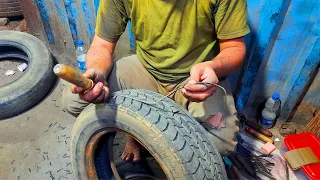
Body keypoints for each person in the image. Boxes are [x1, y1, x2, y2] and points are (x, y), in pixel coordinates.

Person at [62, 0, 249, 163]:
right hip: (146, 69)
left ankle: (162, 141)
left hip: (196, 77)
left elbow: (234, 47)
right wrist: (99, 72)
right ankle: (134, 135)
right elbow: (102, 44)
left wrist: (213, 67)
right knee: (75, 101)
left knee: (219, 145)